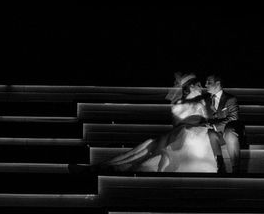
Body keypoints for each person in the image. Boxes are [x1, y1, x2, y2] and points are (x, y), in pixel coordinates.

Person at [74, 72, 218, 174]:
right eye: (198, 84)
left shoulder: (203, 101)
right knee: (145, 149)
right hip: (181, 132)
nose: (201, 87)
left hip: (194, 132)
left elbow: (210, 116)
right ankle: (107, 167)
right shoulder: (184, 103)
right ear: (190, 87)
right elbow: (179, 119)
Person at [204, 73, 243, 174]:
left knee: (230, 132)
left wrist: (215, 125)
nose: (205, 85)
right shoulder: (206, 100)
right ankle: (219, 165)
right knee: (210, 133)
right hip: (216, 135)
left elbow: (234, 117)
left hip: (229, 132)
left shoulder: (230, 99)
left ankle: (236, 168)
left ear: (217, 84)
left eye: (209, 82)